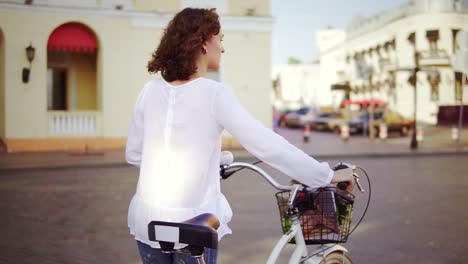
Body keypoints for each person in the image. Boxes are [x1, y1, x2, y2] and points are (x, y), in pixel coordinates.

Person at [125, 7, 354, 264]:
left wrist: (209, 159)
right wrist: (327, 175)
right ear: (203, 43)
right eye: (220, 39)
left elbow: (134, 154)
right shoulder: (213, 93)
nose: (222, 48)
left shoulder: (149, 90)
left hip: (148, 221)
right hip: (193, 223)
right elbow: (264, 143)